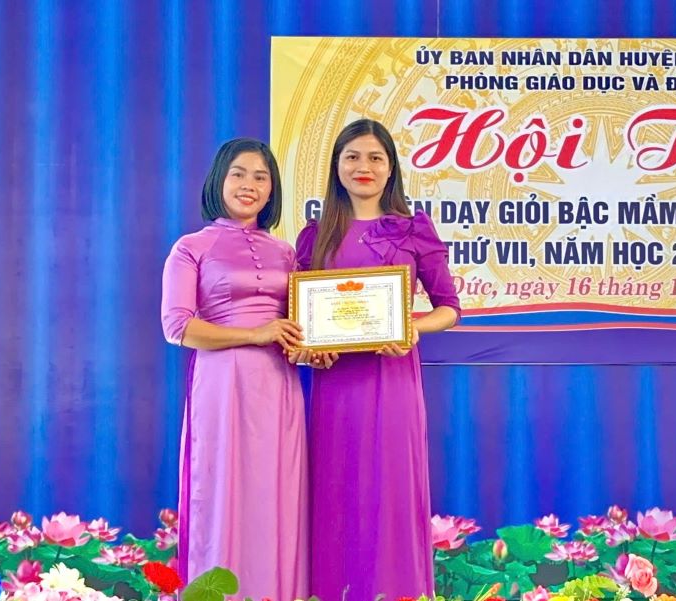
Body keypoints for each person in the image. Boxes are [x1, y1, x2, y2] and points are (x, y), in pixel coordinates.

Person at [293, 119, 460, 600]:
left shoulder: (413, 229)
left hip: (393, 383)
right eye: (352, 157)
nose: (362, 167)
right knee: (337, 492)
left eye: (374, 158)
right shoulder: (315, 235)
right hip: (335, 388)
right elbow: (302, 322)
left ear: (391, 169)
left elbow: (449, 309)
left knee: (390, 492)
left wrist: (410, 329)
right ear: (336, 167)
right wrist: (311, 349)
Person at [161, 139, 307, 601]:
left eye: (261, 177)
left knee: (278, 494)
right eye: (239, 174)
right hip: (223, 385)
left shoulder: (287, 253)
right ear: (219, 181)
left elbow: (301, 326)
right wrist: (256, 334)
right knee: (222, 492)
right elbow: (177, 327)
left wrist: (312, 348)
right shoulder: (191, 247)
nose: (249, 185)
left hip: (279, 386)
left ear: (272, 190)